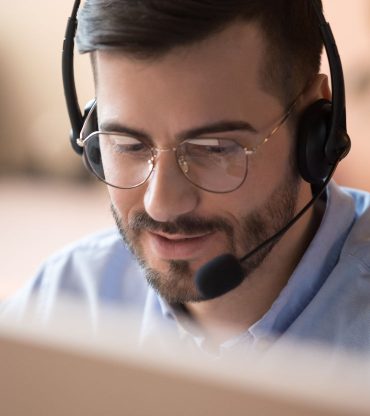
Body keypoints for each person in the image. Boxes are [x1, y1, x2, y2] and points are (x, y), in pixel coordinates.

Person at [3, 0, 370, 355]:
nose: (161, 205)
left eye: (213, 148)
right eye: (127, 144)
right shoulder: (64, 301)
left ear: (317, 132)